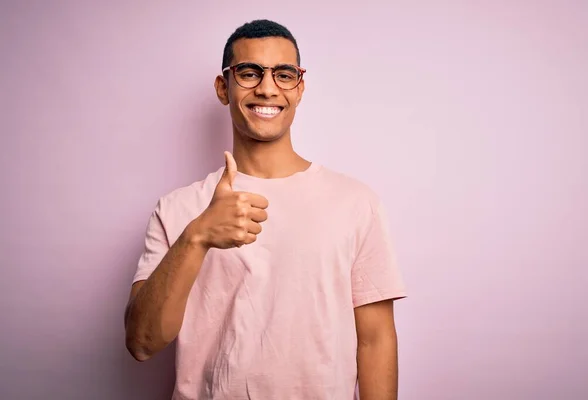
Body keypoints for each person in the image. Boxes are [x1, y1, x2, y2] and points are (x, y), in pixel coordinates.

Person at [124, 19, 407, 400]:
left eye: (284, 74)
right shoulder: (178, 209)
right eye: (249, 72)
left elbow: (375, 341)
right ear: (224, 87)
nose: (268, 87)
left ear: (300, 88)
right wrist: (198, 236)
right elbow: (141, 343)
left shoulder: (355, 202)